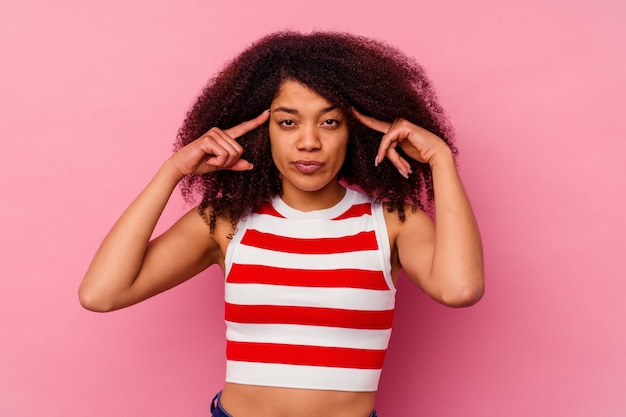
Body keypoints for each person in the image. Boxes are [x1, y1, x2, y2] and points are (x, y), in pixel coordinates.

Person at [79, 31, 484, 417]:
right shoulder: (225, 221)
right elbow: (101, 294)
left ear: (354, 131)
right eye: (288, 122)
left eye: (330, 122)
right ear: (263, 131)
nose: (309, 141)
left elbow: (460, 289)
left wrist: (440, 159)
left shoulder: (392, 221)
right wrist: (172, 171)